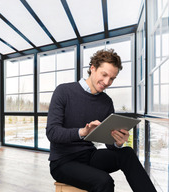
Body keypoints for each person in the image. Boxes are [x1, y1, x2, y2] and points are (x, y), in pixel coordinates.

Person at [46, 49, 156, 192]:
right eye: (104, 75)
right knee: (104, 181)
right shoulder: (63, 91)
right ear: (93, 68)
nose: (106, 82)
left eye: (112, 78)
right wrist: (83, 132)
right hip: (62, 162)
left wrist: (117, 142)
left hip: (89, 156)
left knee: (127, 153)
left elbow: (109, 144)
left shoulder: (106, 102)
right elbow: (52, 133)